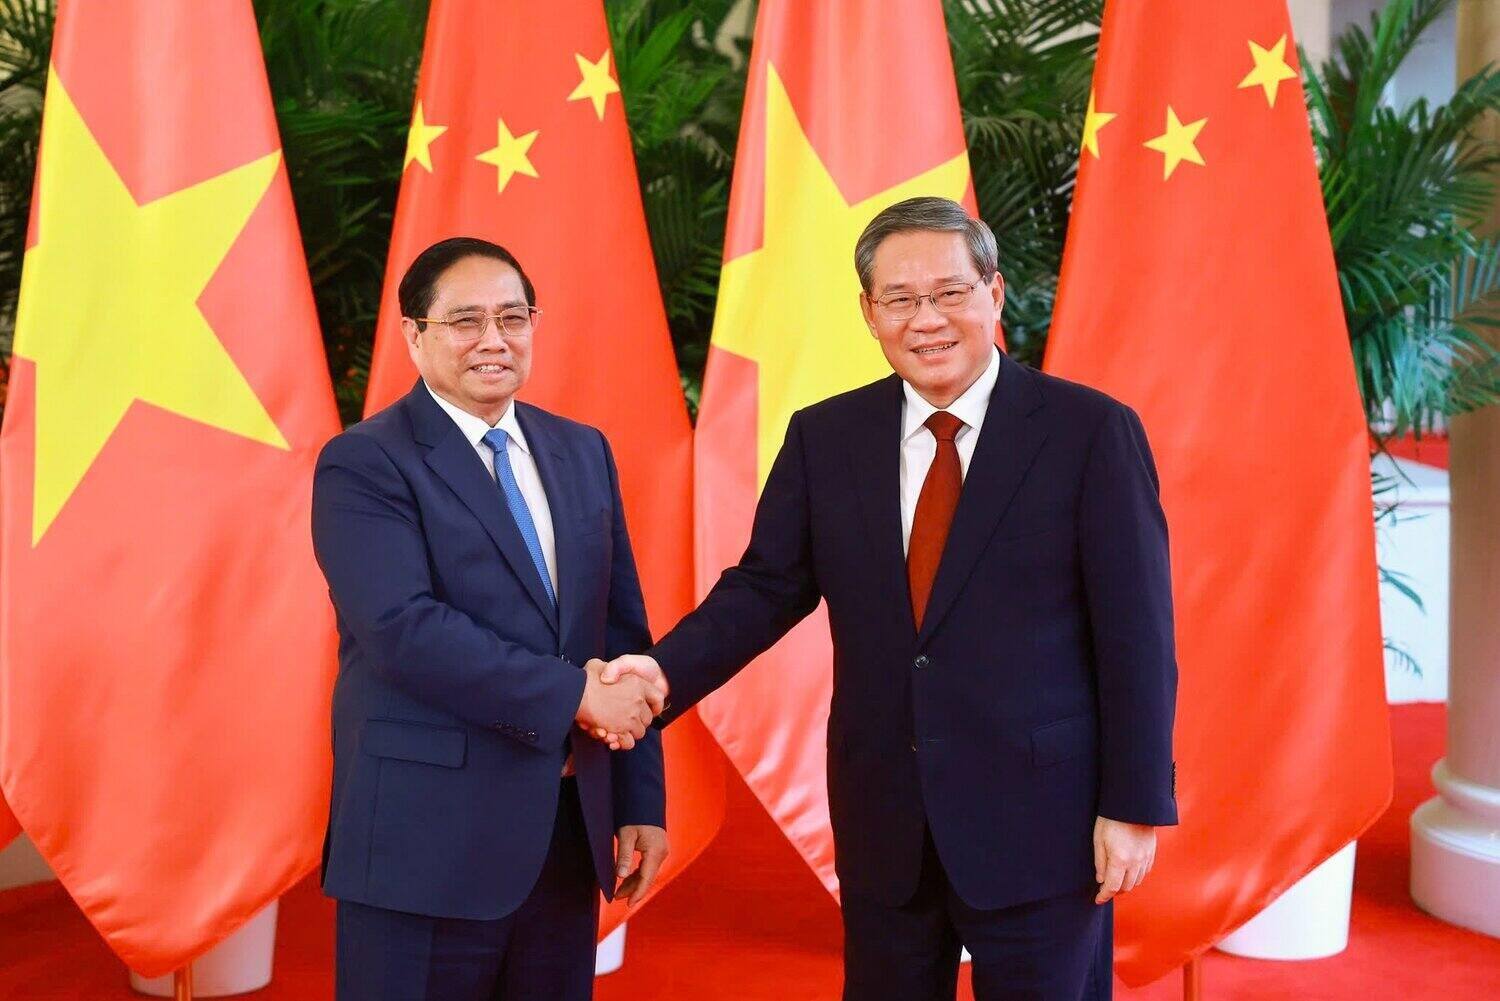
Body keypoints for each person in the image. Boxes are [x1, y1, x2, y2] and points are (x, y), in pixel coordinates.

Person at [602, 197, 1178, 1000]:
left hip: (1045, 822)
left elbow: (1137, 635)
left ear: (994, 293)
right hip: (886, 816)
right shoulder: (826, 437)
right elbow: (764, 588)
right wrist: (659, 675)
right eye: (900, 299)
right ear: (869, 313)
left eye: (949, 293)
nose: (927, 319)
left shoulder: (1089, 432)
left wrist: (1135, 802)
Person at [311, 236, 669, 1001]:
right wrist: (574, 694)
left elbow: (620, 634)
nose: (493, 339)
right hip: (421, 848)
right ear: (414, 334)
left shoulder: (581, 450)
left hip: (563, 838)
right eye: (465, 320)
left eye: (512, 317)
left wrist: (639, 798)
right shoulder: (365, 462)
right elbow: (403, 628)